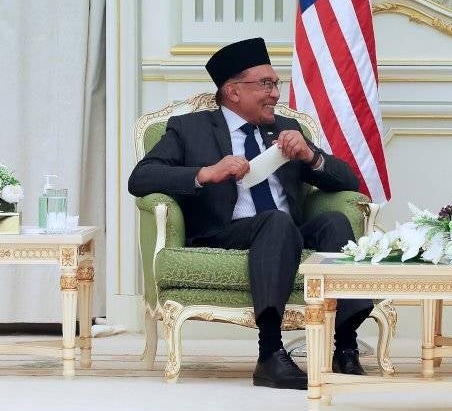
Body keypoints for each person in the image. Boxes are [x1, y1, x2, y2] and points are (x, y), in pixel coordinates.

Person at [129, 37, 373, 389]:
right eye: (266, 84)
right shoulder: (190, 129)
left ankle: (345, 346)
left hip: (287, 232)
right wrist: (206, 173)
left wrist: (311, 157)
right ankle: (270, 354)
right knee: (276, 221)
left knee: (334, 222)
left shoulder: (287, 130)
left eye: (276, 83)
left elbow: (349, 181)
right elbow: (140, 177)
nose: (275, 93)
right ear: (233, 91)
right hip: (226, 232)